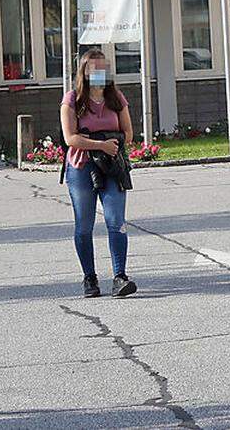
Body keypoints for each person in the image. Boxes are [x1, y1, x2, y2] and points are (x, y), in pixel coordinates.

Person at [60, 49, 137, 298]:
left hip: (112, 165)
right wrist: (99, 144)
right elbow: (71, 138)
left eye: (103, 68)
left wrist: (108, 143)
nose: (99, 73)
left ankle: (120, 276)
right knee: (84, 224)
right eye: (94, 69)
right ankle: (89, 278)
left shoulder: (116, 98)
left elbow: (128, 133)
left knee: (116, 220)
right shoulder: (72, 100)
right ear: (83, 72)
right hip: (82, 166)